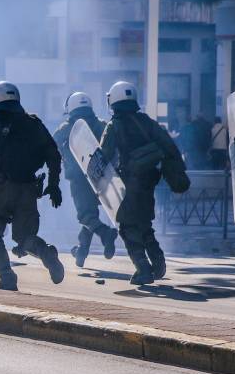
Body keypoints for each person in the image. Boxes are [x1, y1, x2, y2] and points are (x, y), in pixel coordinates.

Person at [0, 81, 64, 291]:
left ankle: (7, 277)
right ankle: (48, 255)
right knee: (24, 238)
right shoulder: (34, 123)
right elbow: (54, 155)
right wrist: (54, 184)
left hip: (2, 189)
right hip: (29, 189)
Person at [97, 82, 183, 285]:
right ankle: (158, 260)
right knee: (144, 223)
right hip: (148, 181)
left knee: (127, 227)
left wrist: (97, 184)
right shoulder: (147, 122)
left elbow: (103, 156)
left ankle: (143, 269)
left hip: (126, 183)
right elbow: (169, 145)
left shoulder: (114, 125)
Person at [53, 92, 118, 267]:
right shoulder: (102, 125)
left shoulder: (66, 129)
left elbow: (52, 147)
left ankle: (106, 234)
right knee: (92, 215)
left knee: (85, 215)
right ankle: (81, 251)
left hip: (79, 180)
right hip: (103, 177)